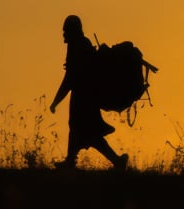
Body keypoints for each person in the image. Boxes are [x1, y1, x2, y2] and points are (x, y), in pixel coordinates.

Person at [50, 14, 127, 171]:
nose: (64, 33)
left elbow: (69, 78)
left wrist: (56, 101)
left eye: (66, 30)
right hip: (86, 97)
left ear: (72, 30)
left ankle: (114, 161)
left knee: (86, 132)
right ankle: (72, 161)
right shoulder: (80, 44)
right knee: (82, 131)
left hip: (83, 98)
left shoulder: (78, 46)